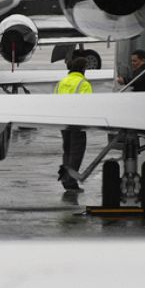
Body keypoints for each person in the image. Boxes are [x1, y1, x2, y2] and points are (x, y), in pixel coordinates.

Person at [55, 55, 92, 191]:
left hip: (63, 122)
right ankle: (71, 181)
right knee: (76, 152)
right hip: (77, 122)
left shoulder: (62, 82)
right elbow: (87, 105)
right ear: (83, 69)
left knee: (67, 151)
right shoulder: (83, 84)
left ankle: (66, 180)